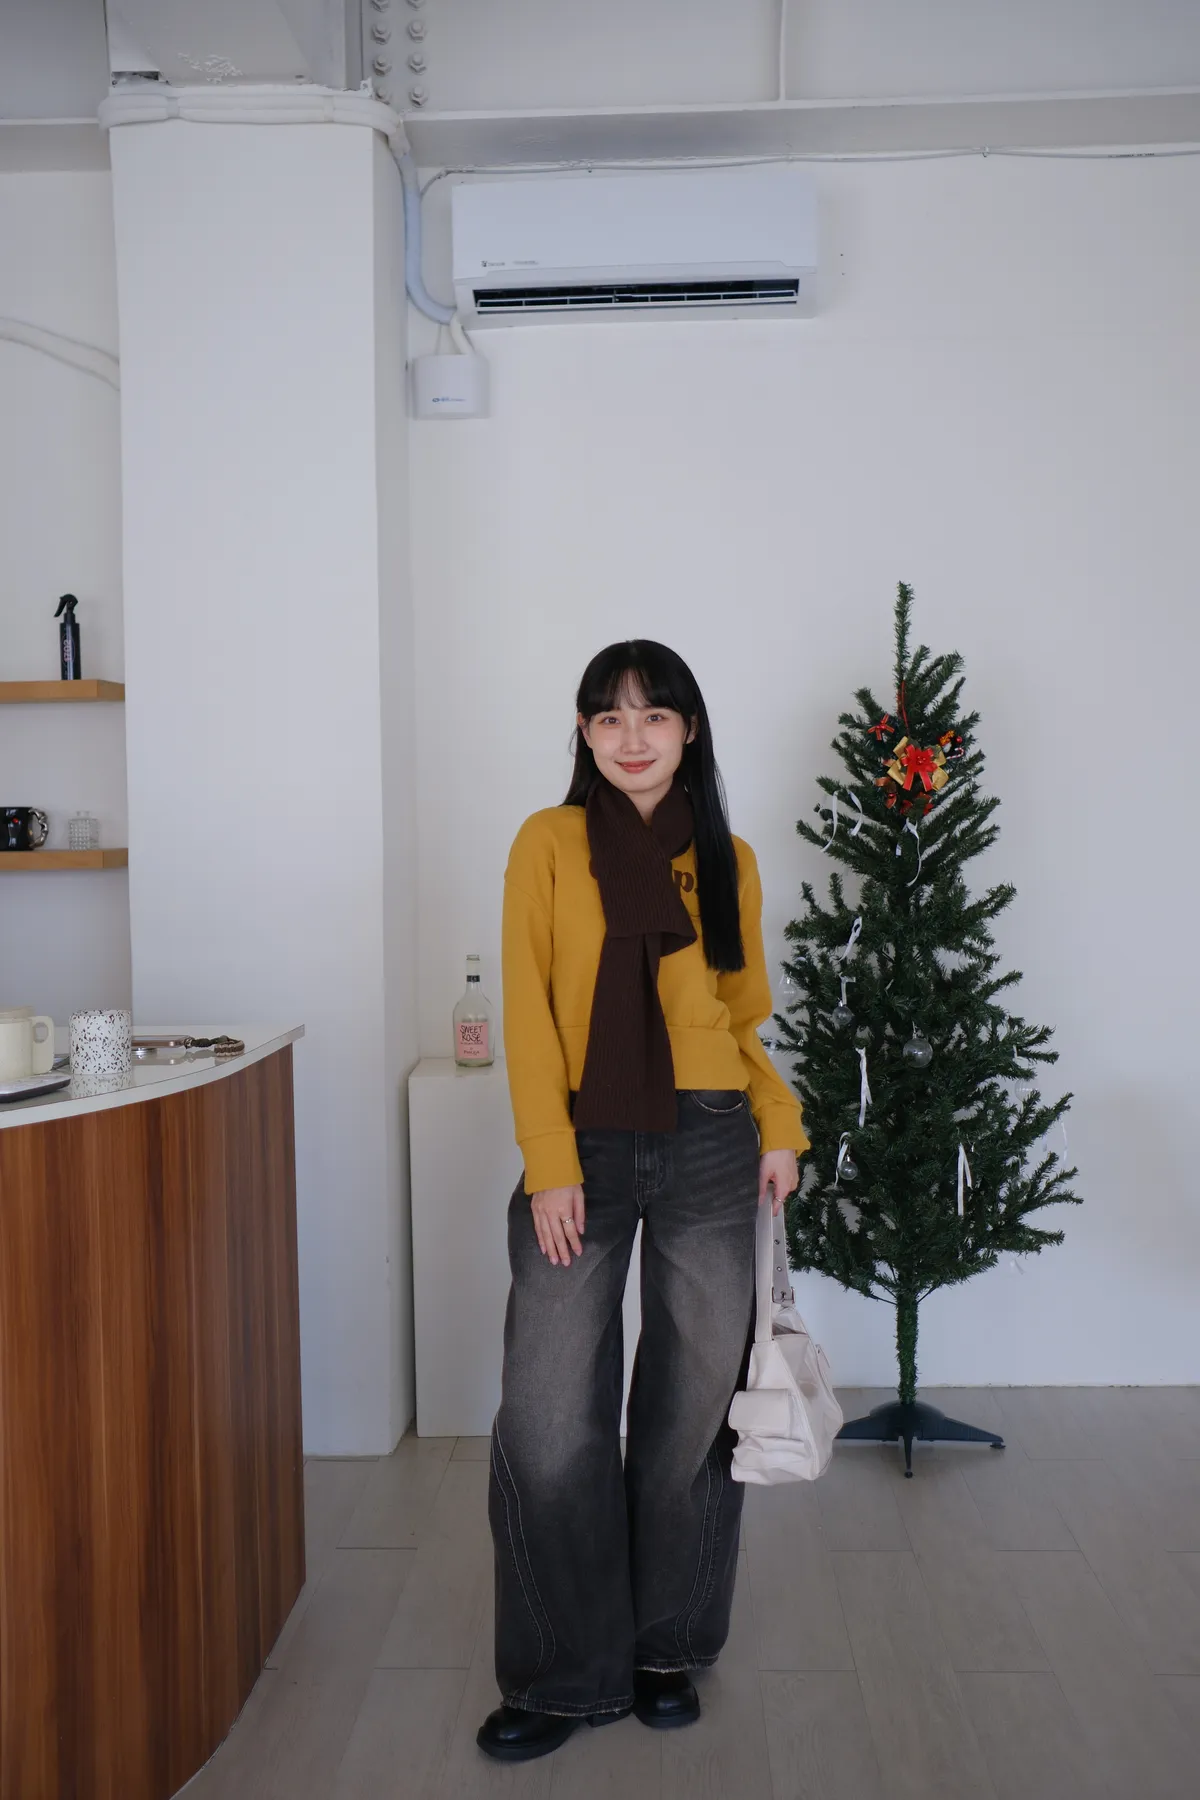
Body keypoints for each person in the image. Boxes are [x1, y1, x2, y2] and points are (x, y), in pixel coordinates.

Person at [477, 639, 809, 1764]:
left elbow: (741, 1014)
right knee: (549, 1411)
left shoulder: (728, 857)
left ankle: (665, 1646)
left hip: (712, 1138)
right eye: (609, 717)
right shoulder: (549, 841)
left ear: (688, 730)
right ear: (583, 732)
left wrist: (779, 1122)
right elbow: (527, 1005)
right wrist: (549, 1159)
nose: (632, 738)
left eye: (654, 716)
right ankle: (561, 1671)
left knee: (690, 1409)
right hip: (584, 1139)